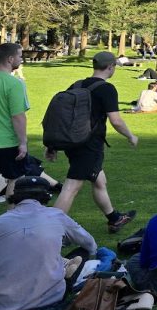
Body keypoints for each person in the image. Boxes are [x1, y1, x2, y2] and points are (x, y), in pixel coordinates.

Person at [47, 51, 138, 232]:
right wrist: (130, 136)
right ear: (111, 67)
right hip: (89, 144)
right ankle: (51, 230)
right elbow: (116, 120)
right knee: (71, 187)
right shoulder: (107, 89)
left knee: (98, 180)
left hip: (73, 142)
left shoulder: (77, 84)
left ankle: (114, 218)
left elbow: (61, 116)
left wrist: (53, 144)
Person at [0, 176, 97, 310]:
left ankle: (62, 264)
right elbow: (91, 245)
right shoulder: (57, 216)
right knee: (82, 253)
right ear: (46, 196)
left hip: (3, 303)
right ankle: (64, 266)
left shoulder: (1, 222)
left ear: (15, 196)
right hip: (50, 298)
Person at [0, 43, 37, 197]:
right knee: (16, 179)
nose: (22, 60)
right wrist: (23, 142)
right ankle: (10, 218)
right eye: (20, 56)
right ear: (10, 59)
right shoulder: (14, 83)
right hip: (7, 143)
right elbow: (18, 116)